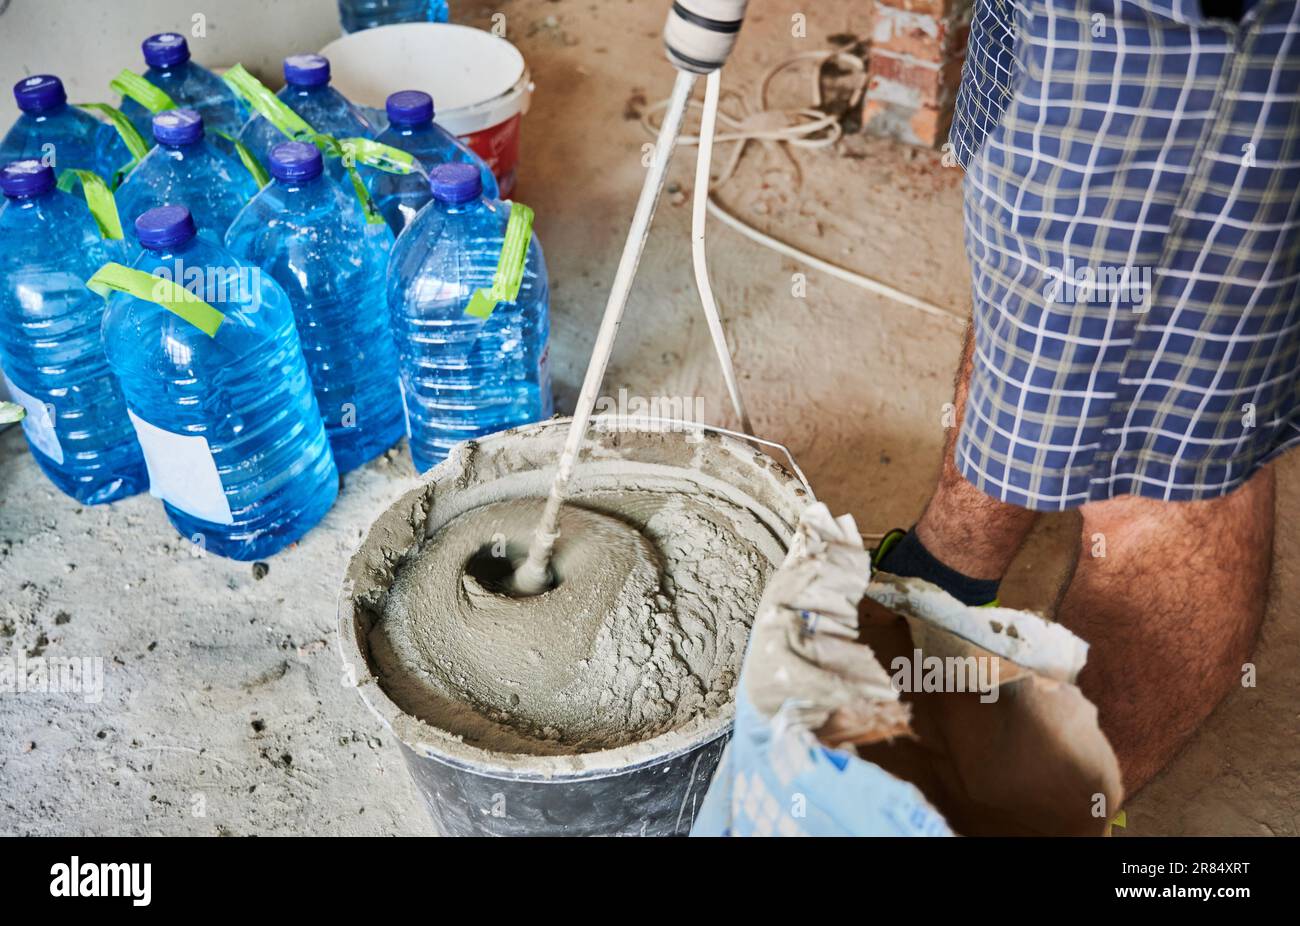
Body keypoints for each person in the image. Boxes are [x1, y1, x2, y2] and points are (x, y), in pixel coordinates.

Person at [873, 0, 1295, 793]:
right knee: (1034, 290)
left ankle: (1041, 805)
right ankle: (941, 585)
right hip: (1059, 20)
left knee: (1164, 466)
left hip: (1201, 39)